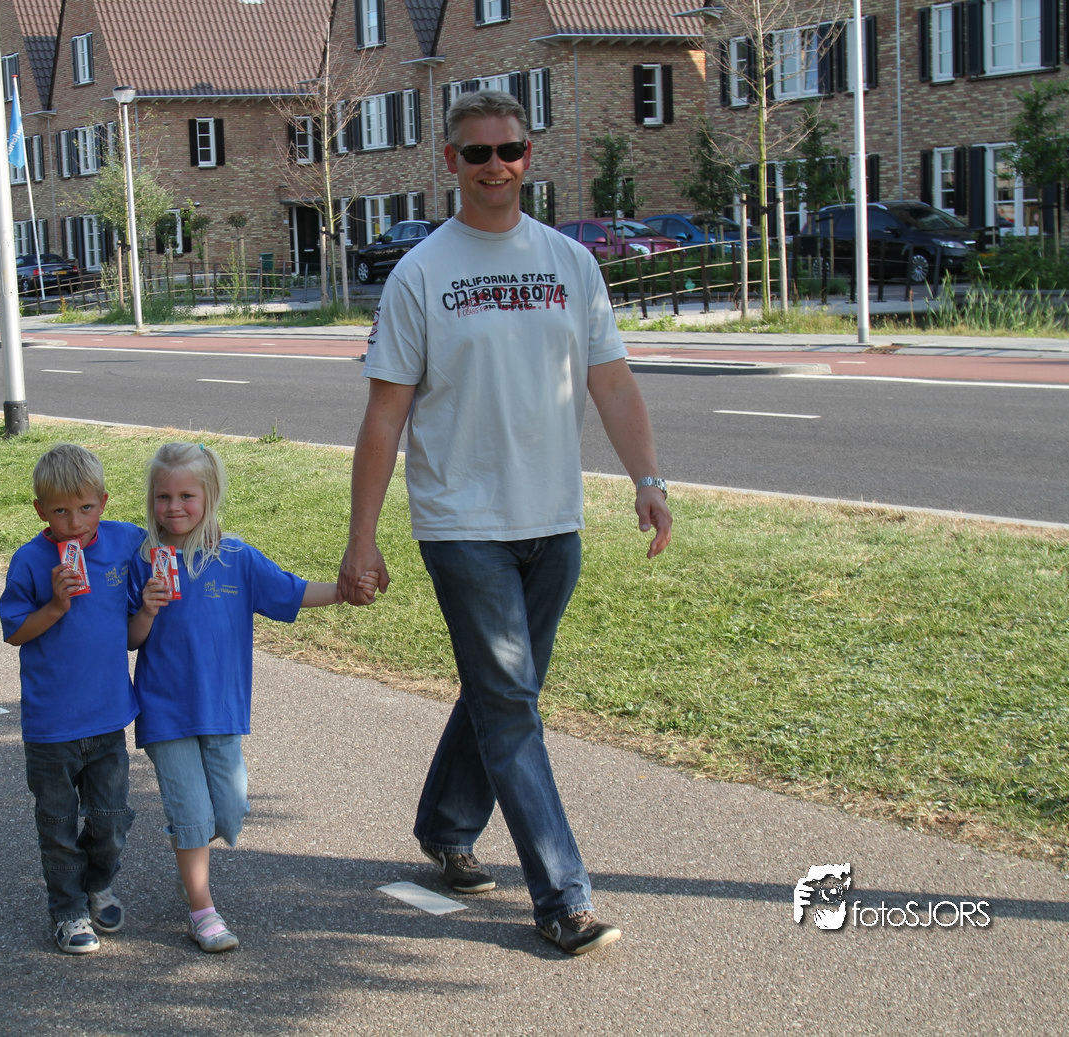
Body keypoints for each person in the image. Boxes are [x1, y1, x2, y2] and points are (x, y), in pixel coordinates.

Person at [335, 90, 673, 957]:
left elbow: (610, 381)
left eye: (510, 150)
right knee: (512, 703)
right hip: (461, 524)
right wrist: (362, 536)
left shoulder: (570, 261)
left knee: (502, 694)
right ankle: (561, 897)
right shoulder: (420, 273)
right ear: (450, 162)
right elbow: (384, 415)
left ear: (529, 155)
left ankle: (446, 824)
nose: (496, 166)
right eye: (477, 152)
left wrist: (646, 477)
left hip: (552, 520)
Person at [128, 442, 374, 954]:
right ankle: (202, 910)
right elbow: (131, 640)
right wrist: (146, 610)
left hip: (222, 710)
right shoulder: (144, 559)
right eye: (163, 497)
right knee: (192, 816)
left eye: (187, 496)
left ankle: (191, 853)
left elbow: (291, 591)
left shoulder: (236, 558)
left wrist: (344, 590)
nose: (173, 507)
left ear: (210, 495)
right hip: (165, 709)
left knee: (229, 812)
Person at [0, 442, 167, 956]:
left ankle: (98, 884)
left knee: (111, 820)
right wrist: (56, 605)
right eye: (59, 512)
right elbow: (15, 633)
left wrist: (149, 609)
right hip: (51, 725)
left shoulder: (124, 543)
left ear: (104, 502)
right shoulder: (30, 561)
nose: (74, 523)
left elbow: (132, 637)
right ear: (39, 510)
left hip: (109, 716)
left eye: (86, 508)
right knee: (56, 824)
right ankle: (68, 909)